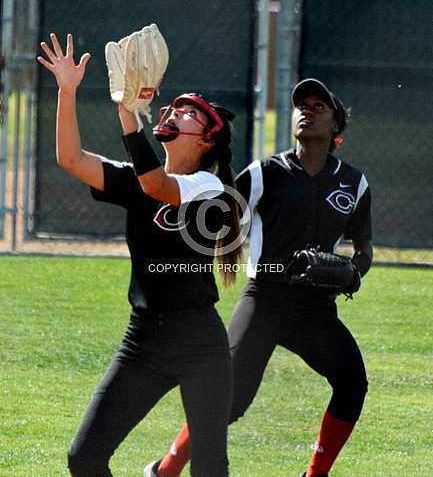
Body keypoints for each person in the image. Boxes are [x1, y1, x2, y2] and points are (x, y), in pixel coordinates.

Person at [37, 33, 243, 477]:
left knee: (209, 468)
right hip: (144, 341)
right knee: (84, 458)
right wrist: (67, 91)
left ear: (208, 139)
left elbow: (158, 187)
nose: (175, 112)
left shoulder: (209, 188)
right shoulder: (139, 177)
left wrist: (127, 112)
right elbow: (70, 158)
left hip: (200, 343)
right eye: (174, 107)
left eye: (190, 113)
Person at [146, 78, 373, 477]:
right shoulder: (268, 172)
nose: (306, 110)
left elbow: (364, 246)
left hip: (315, 308)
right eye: (301, 105)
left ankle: (314, 475)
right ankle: (165, 470)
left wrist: (355, 271)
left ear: (336, 124)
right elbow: (221, 201)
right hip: (265, 299)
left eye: (318, 106)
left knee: (352, 382)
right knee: (229, 400)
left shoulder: (354, 183)